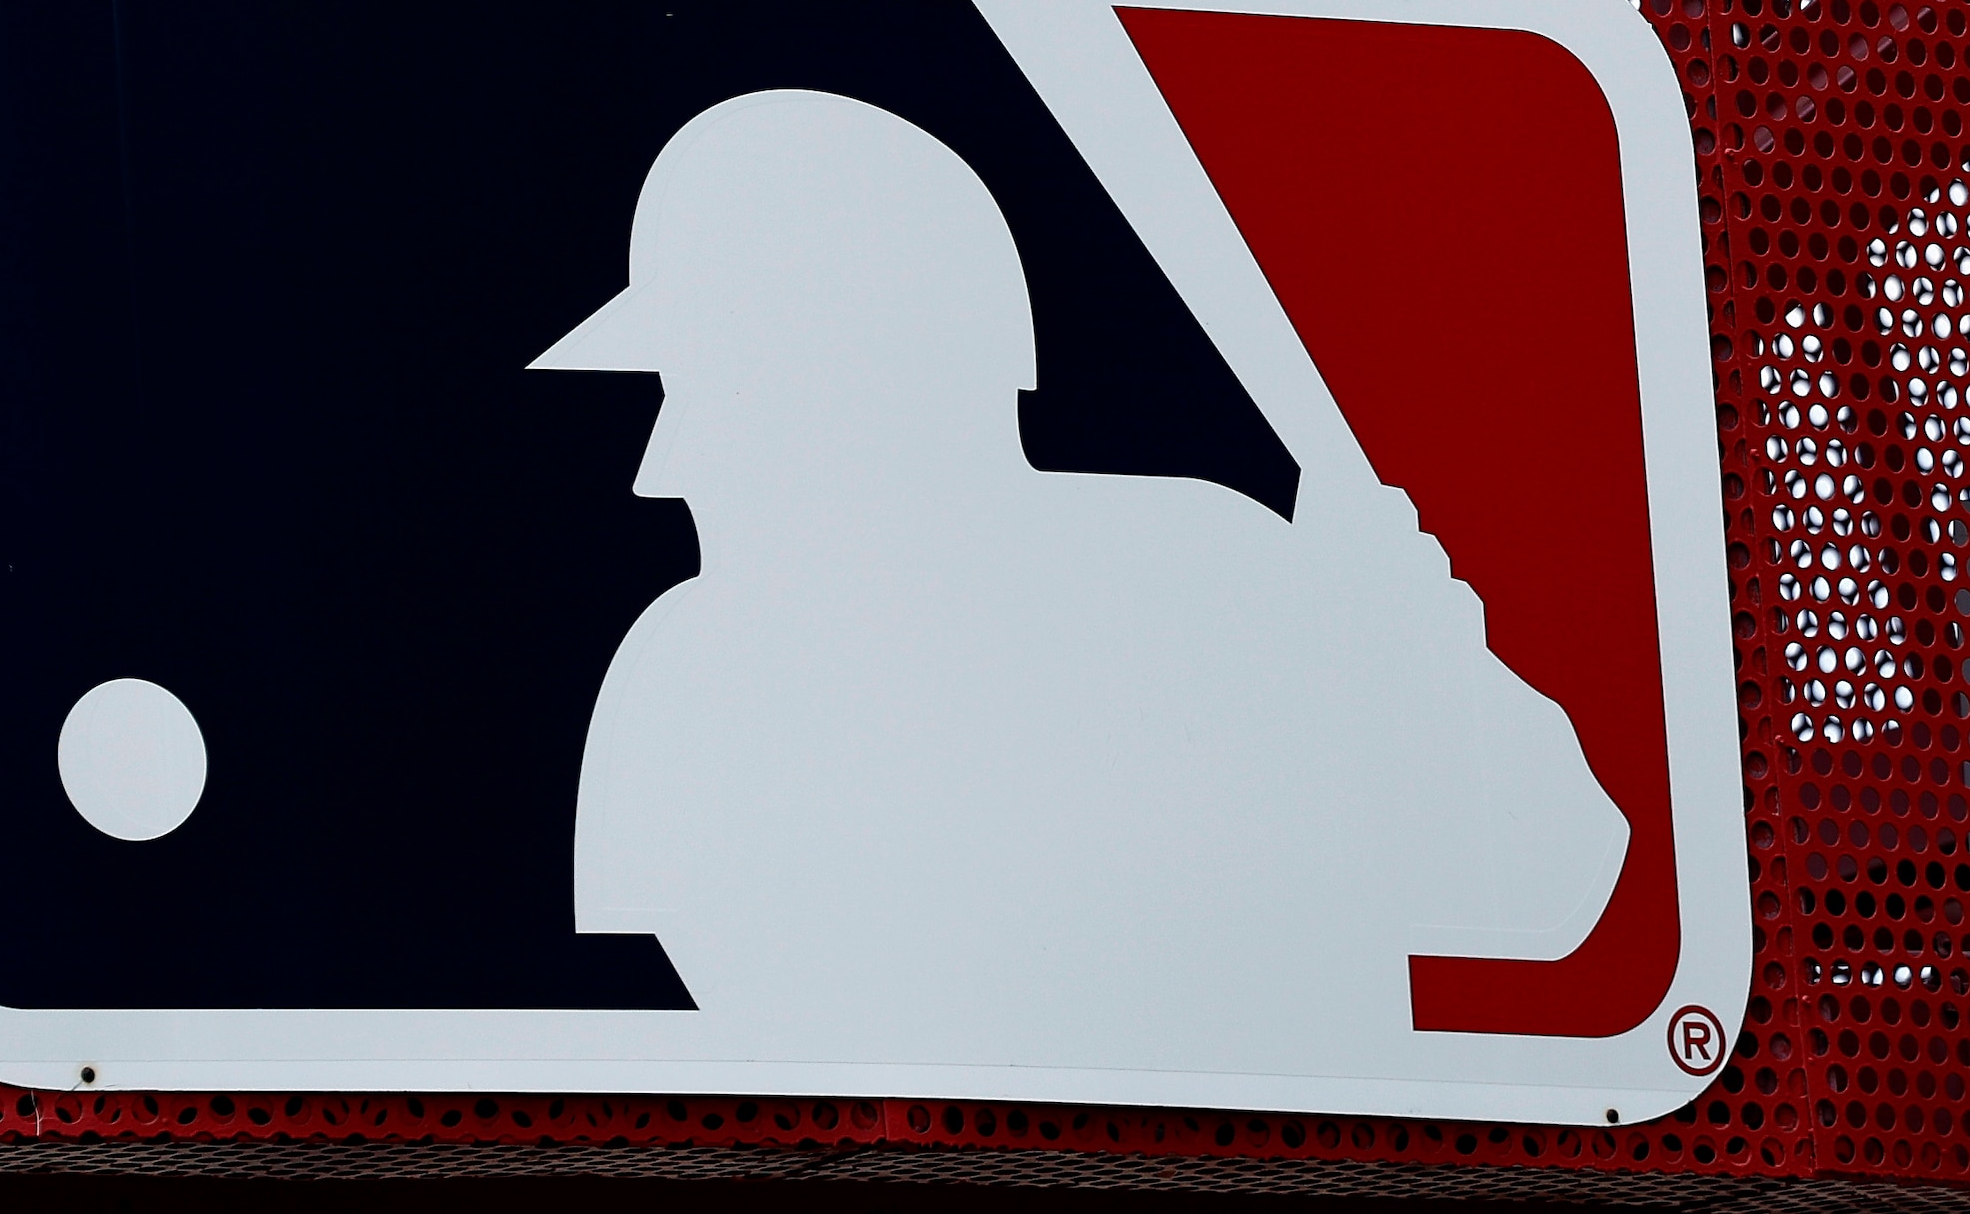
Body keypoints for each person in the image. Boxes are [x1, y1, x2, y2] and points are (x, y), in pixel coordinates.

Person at [533, 88, 1623, 1065]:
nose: (655, 465)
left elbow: (1559, 880)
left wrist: (1418, 669)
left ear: (861, 384)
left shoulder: (1224, 574)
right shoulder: (1225, 567)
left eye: (707, 389)